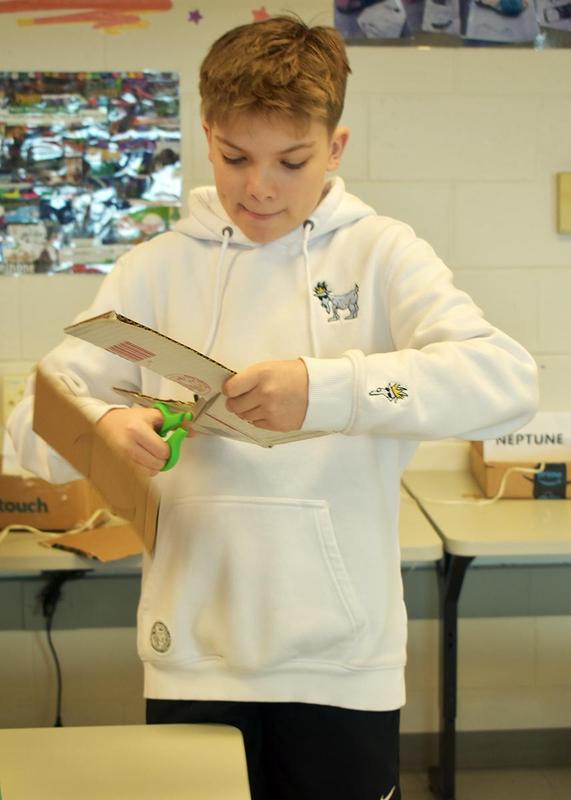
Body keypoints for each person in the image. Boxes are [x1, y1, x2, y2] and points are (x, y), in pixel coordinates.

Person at [7, 15, 538, 800]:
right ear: (207, 134)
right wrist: (101, 429)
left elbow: (503, 382)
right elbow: (28, 431)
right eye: (235, 158)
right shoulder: (155, 269)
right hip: (192, 654)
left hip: (341, 663)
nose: (258, 187)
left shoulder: (381, 254)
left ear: (335, 147)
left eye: (291, 161)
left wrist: (327, 390)